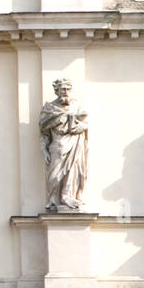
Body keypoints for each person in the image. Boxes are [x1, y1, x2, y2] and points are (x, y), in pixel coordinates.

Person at [40, 78, 89, 211]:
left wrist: (78, 125)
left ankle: (68, 196)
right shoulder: (49, 109)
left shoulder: (76, 106)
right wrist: (43, 148)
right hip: (57, 146)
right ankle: (53, 200)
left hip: (75, 146)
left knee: (73, 170)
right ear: (57, 91)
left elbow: (84, 125)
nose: (65, 92)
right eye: (62, 89)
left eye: (68, 89)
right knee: (54, 175)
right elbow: (44, 131)